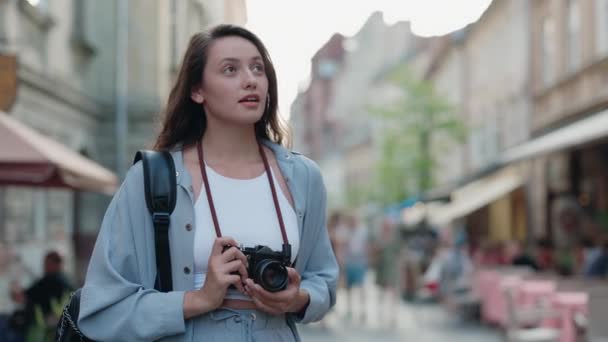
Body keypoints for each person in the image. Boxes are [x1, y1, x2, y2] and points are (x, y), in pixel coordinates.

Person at [78, 25, 338, 341]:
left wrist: (299, 298)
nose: (250, 79)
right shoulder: (152, 178)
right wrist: (198, 299)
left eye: (258, 68)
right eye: (230, 69)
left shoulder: (303, 177)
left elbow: (323, 279)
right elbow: (102, 307)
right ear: (197, 90)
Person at [10, 251, 73, 339]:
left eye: (47, 263)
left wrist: (14, 283)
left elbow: (18, 297)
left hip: (40, 329)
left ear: (55, 264)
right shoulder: (68, 282)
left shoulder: (46, 282)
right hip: (61, 330)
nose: (44, 266)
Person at [343, 214, 369, 323]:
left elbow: (366, 246)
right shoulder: (346, 231)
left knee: (361, 288)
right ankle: (350, 310)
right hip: (349, 262)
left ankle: (362, 310)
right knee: (349, 289)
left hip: (359, 262)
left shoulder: (363, 231)